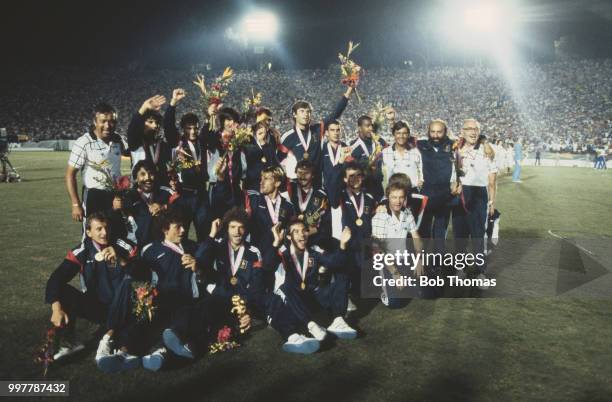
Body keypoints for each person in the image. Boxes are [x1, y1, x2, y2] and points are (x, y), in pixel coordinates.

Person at [201, 209, 320, 354]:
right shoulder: (217, 246)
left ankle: (292, 336)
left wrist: (246, 308)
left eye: (241, 227)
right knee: (207, 305)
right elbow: (199, 260)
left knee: (272, 299)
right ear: (226, 228)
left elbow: (257, 284)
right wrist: (211, 235)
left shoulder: (253, 251)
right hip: (223, 297)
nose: (237, 232)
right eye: (232, 227)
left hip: (247, 299)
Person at [44, 212, 139, 370]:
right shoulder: (82, 252)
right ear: (88, 232)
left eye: (106, 228)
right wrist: (56, 308)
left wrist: (122, 261)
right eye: (99, 229)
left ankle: (117, 340)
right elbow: (56, 279)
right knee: (63, 290)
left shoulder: (123, 245)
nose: (104, 233)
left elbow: (143, 273)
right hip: (98, 308)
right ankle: (69, 342)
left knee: (133, 293)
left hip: (124, 305)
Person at [271, 218, 357, 341]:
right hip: (296, 302)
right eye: (296, 232)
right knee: (285, 287)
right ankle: (311, 325)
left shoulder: (314, 251)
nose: (301, 234)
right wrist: (276, 242)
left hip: (315, 298)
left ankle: (338, 320)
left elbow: (335, 262)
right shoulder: (283, 252)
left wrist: (342, 245)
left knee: (342, 272)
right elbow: (268, 264)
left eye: (304, 230)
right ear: (289, 237)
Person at [452, 119, 497, 285]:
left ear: (480, 132)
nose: (472, 132)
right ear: (462, 131)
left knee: (478, 235)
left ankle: (480, 271)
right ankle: (460, 269)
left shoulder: (487, 151)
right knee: (459, 235)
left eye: (476, 129)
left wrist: (492, 202)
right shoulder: (455, 148)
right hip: (459, 195)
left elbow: (492, 180)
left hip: (478, 195)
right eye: (469, 129)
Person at [66, 103, 128, 223]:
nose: (107, 125)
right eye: (103, 121)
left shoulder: (118, 139)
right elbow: (70, 174)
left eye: (112, 121)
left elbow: (131, 152)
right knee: (93, 234)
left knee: (115, 232)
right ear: (95, 122)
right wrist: (75, 204)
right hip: (93, 197)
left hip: (115, 196)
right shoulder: (84, 142)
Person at [163, 89, 211, 241]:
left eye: (195, 127)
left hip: (201, 194)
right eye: (189, 128)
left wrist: (211, 114)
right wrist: (173, 103)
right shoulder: (177, 142)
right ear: (183, 129)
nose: (193, 131)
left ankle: (203, 264)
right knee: (180, 235)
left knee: (204, 233)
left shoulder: (202, 141)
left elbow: (210, 126)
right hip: (184, 195)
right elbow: (168, 125)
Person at [280, 86, 354, 180]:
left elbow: (335, 114)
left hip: (317, 182)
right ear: (294, 114)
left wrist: (349, 91)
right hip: (299, 183)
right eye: (302, 111)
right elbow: (277, 161)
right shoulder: (288, 137)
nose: (306, 114)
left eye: (308, 112)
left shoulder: (318, 129)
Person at [371, 181, 424, 307]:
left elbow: (416, 236)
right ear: (387, 197)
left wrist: (418, 259)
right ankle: (382, 290)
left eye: (401, 197)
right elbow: (380, 251)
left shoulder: (407, 213)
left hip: (403, 258)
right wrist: (395, 274)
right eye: (394, 197)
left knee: (423, 292)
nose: (398, 201)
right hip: (385, 261)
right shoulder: (380, 217)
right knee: (394, 303)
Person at [416, 119, 459, 240]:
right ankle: (423, 258)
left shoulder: (454, 145)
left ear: (445, 131)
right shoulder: (420, 144)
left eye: (439, 132)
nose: (435, 135)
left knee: (440, 234)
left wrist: (485, 141)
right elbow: (401, 136)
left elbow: (472, 137)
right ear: (428, 132)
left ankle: (438, 258)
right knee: (423, 232)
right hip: (426, 195)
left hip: (445, 195)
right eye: (432, 132)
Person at [123, 160, 177, 248]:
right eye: (143, 174)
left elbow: (181, 207)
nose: (148, 178)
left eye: (151, 174)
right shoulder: (129, 197)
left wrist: (163, 207)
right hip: (138, 246)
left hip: (164, 244)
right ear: (136, 178)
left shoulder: (164, 192)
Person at [127, 95, 175, 185]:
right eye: (150, 122)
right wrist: (143, 108)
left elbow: (169, 126)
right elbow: (132, 128)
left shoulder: (162, 144)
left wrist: (173, 103)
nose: (155, 126)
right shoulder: (136, 142)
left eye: (157, 122)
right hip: (141, 189)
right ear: (142, 124)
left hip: (160, 189)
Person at [286, 160, 332, 250]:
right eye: (299, 172)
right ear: (295, 173)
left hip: (313, 242)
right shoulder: (290, 187)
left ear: (313, 175)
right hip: (290, 241)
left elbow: (325, 222)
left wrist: (312, 230)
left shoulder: (321, 195)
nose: (302, 176)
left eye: (306, 173)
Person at [350, 115, 388, 201]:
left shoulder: (379, 141)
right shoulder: (354, 146)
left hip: (379, 188)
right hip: (363, 189)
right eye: (367, 126)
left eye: (371, 126)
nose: (371, 128)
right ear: (360, 128)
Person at [381, 121, 423, 191]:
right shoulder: (385, 152)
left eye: (404, 133)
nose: (401, 136)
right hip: (394, 192)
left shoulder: (415, 152)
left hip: (412, 191)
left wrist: (421, 181)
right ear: (393, 134)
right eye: (398, 133)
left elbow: (421, 169)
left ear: (408, 135)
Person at [320, 119, 353, 191]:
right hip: (327, 190)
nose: (336, 133)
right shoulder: (322, 149)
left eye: (338, 130)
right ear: (326, 133)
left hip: (343, 190)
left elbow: (350, 170)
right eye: (332, 130)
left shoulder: (346, 148)